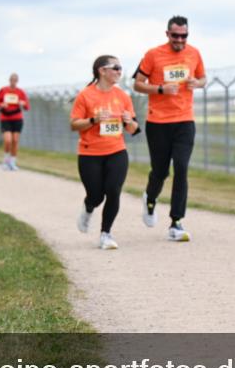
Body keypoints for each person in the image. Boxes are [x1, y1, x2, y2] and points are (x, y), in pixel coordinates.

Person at [132, 15, 207, 241]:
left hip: (185, 120)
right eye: (175, 35)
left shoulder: (194, 53)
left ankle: (176, 222)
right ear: (167, 34)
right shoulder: (153, 54)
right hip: (158, 122)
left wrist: (197, 83)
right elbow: (137, 83)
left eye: (184, 36)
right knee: (161, 171)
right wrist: (161, 90)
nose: (180, 40)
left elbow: (203, 78)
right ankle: (150, 199)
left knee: (182, 168)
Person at [70, 55, 140, 250]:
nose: (119, 71)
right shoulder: (85, 95)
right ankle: (88, 207)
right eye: (115, 67)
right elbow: (74, 125)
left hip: (116, 151)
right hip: (89, 153)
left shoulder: (123, 96)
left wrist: (129, 121)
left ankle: (106, 234)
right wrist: (93, 120)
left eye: (120, 68)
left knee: (113, 191)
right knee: (96, 195)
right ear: (102, 70)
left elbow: (134, 130)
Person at [0, 73, 30, 171]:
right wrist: (2, 104)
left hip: (17, 118)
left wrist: (23, 103)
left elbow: (27, 107)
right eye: (12, 79)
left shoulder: (20, 92)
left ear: (17, 81)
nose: (13, 81)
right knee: (8, 140)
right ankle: (5, 161)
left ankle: (12, 162)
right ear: (9, 80)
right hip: (5, 118)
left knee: (15, 140)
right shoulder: (3, 90)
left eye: (15, 79)